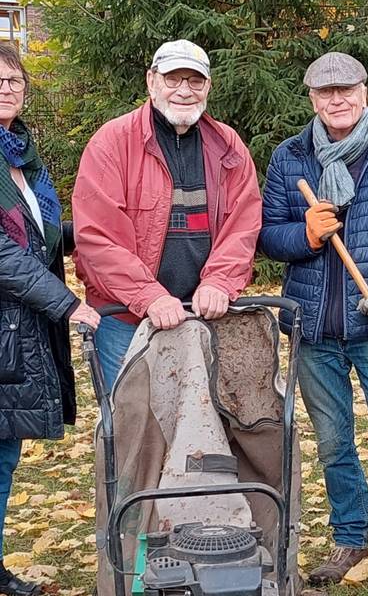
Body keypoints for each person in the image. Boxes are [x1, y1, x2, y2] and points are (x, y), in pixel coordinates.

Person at [260, 51, 368, 596]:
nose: (337, 100)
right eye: (325, 92)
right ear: (312, 98)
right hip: (314, 329)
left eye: (347, 89)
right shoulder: (291, 159)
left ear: (364, 92)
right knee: (335, 443)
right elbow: (267, 235)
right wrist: (305, 235)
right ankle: (349, 539)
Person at [72, 39, 261, 388]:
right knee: (131, 431)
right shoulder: (112, 142)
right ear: (151, 81)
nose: (184, 91)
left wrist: (220, 280)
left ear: (208, 86)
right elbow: (97, 237)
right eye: (173, 79)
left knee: (201, 428)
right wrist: (149, 295)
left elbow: (243, 223)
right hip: (125, 320)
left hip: (203, 317)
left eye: (195, 81)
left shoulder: (228, 145)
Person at [0, 43, 100, 596]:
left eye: (14, 80)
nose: (8, 89)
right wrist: (67, 303)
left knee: (4, 452)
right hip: (12, 321)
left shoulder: (22, 158)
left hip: (19, 329)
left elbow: (42, 238)